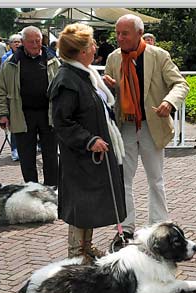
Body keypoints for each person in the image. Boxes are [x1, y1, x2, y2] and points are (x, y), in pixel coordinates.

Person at [104, 14, 189, 250]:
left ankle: (158, 225)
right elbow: (109, 97)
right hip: (126, 127)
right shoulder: (113, 58)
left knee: (156, 180)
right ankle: (125, 228)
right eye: (117, 33)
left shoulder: (158, 55)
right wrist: (108, 87)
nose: (119, 38)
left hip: (152, 125)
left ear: (139, 33)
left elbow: (180, 83)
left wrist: (169, 102)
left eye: (125, 33)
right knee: (124, 180)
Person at [50, 23, 126, 263]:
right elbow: (62, 122)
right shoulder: (67, 81)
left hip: (91, 156)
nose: (95, 47)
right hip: (81, 156)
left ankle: (86, 247)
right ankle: (75, 254)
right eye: (92, 43)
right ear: (82, 51)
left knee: (90, 203)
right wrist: (89, 140)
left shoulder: (84, 75)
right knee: (81, 204)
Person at [0, 26, 60, 187]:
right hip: (22, 115)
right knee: (27, 157)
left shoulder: (53, 61)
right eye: (31, 42)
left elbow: (62, 88)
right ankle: (32, 190)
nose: (36, 44)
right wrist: (3, 114)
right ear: (22, 42)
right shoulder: (10, 64)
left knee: (51, 157)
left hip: (48, 115)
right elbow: (0, 92)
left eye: (38, 41)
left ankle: (52, 189)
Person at [0, 34, 23, 161]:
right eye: (14, 42)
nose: (17, 44)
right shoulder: (6, 58)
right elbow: (4, 77)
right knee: (14, 126)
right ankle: (14, 149)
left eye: (19, 41)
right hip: (12, 95)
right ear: (10, 44)